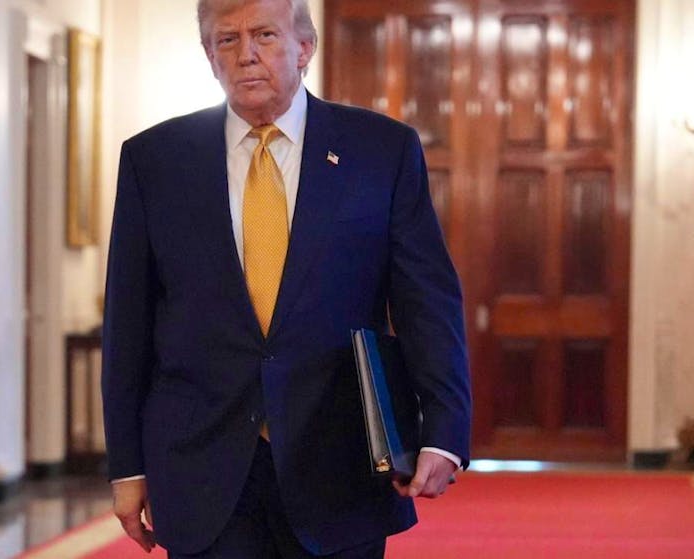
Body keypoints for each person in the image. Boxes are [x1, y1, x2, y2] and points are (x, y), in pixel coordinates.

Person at [101, 0, 471, 557]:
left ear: (305, 47)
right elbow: (128, 325)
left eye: (265, 35)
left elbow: (427, 304)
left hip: (341, 462)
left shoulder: (381, 151)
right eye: (226, 40)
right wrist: (127, 467)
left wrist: (444, 432)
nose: (246, 54)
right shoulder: (155, 160)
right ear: (208, 55)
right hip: (201, 467)